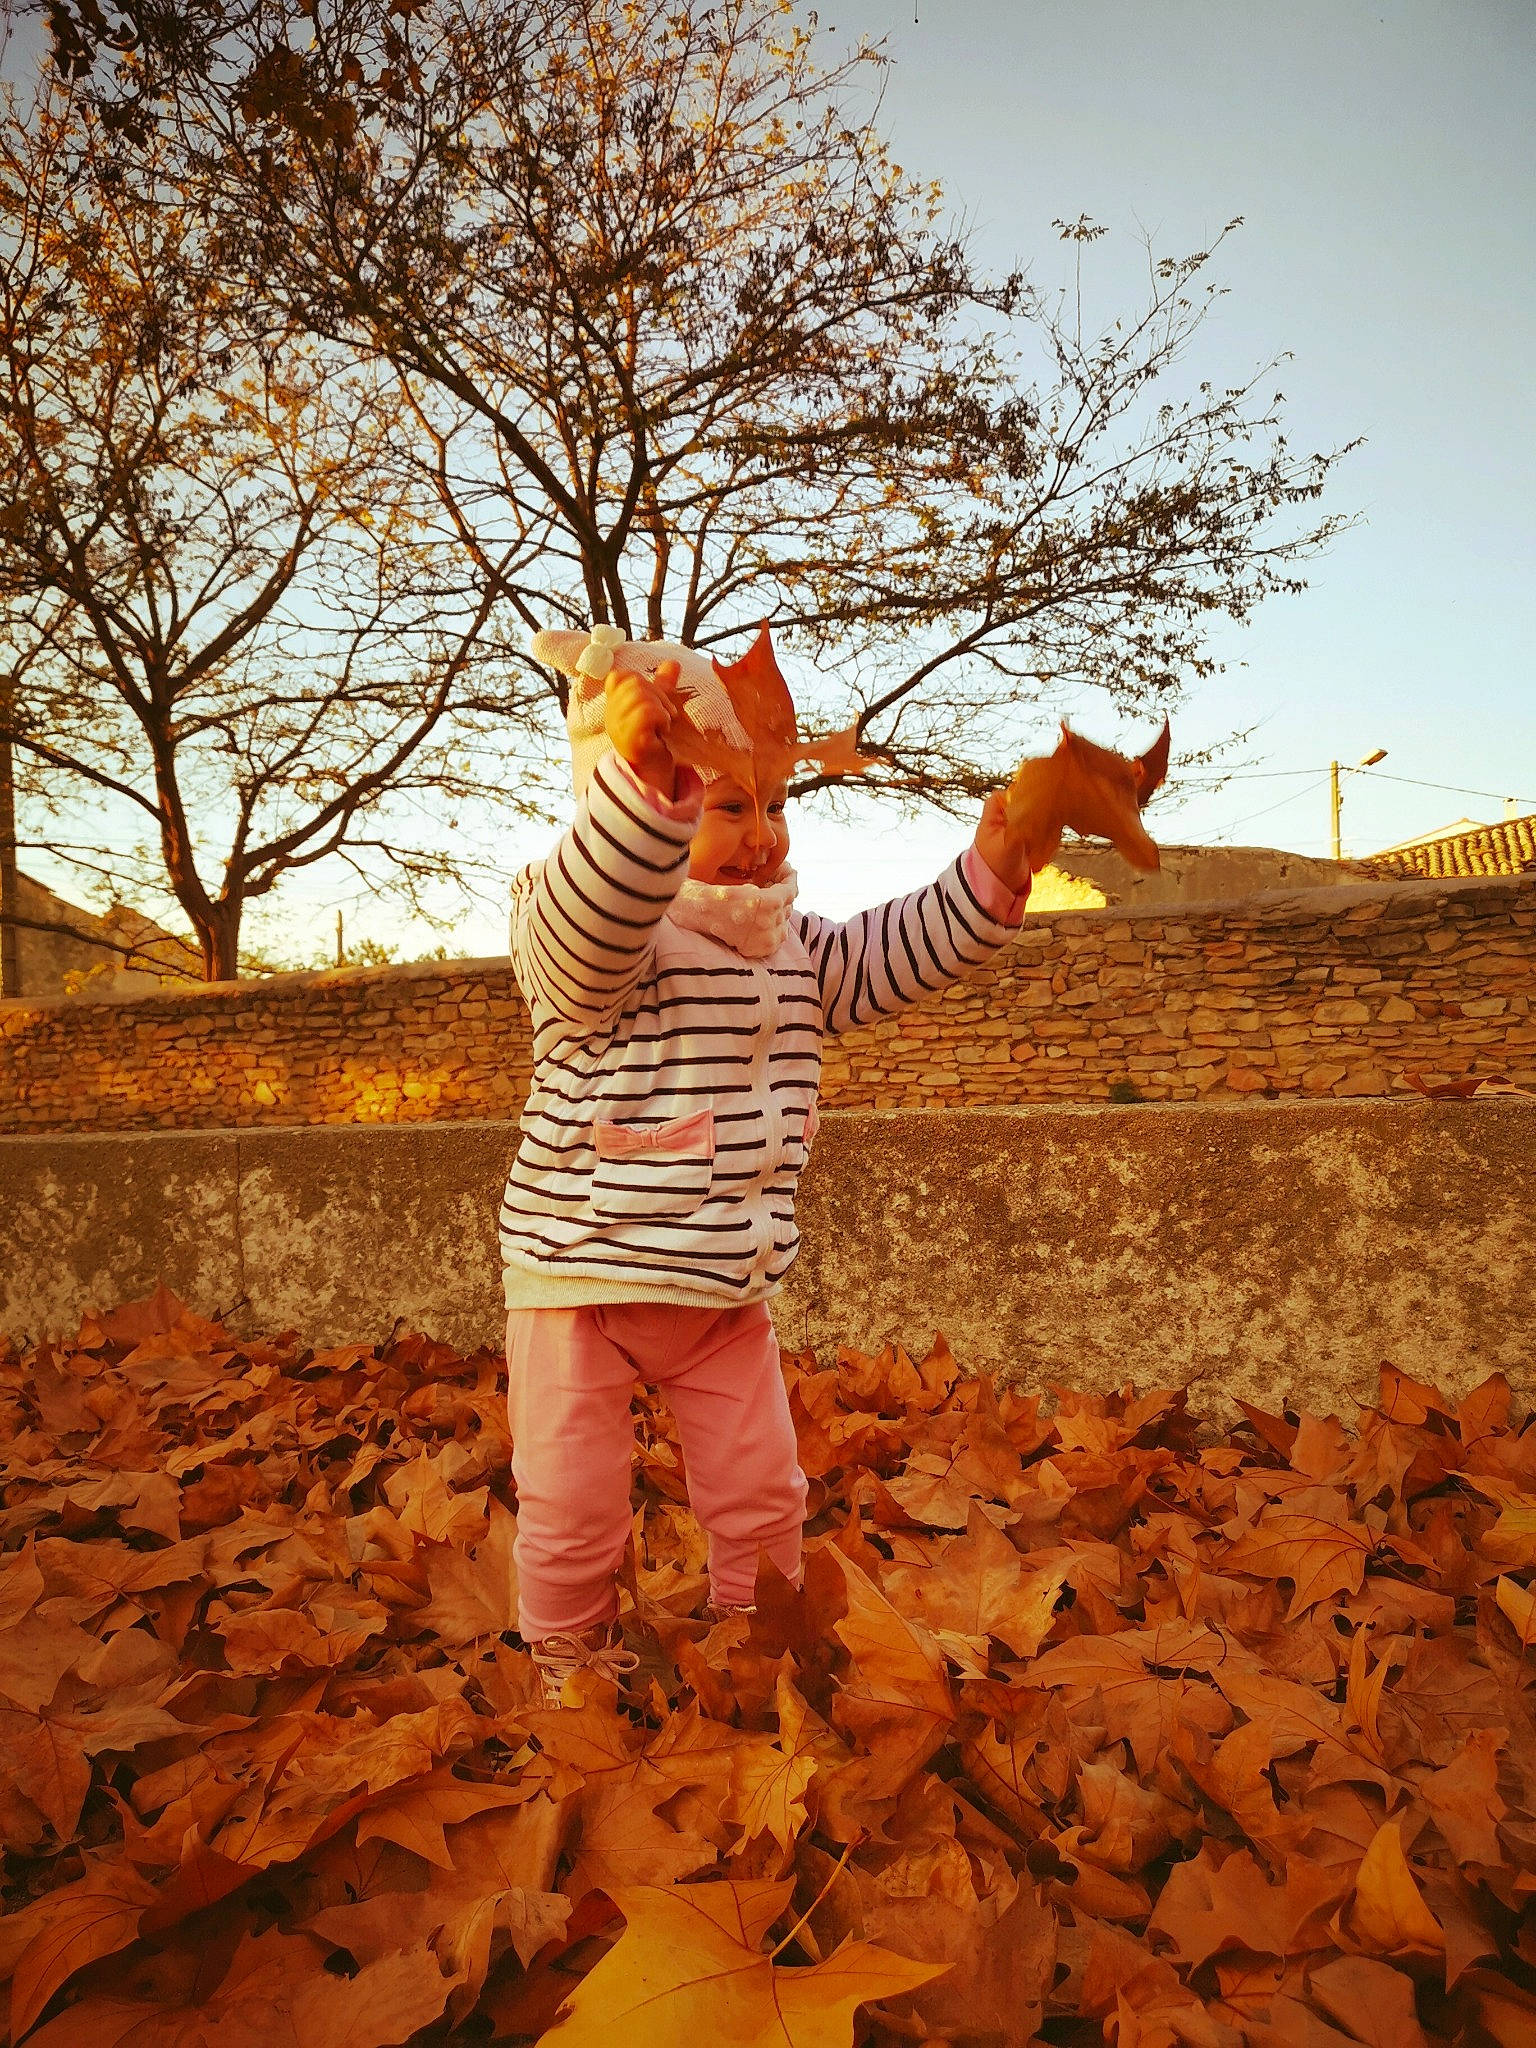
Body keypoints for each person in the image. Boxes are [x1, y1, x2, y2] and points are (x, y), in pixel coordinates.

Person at [502, 620, 1040, 1706]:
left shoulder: (791, 946)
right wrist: (641, 802)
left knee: (762, 1487)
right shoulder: (593, 934)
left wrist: (987, 877)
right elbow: (588, 920)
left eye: (775, 804)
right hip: (583, 1270)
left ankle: (761, 1628)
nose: (760, 835)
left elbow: (890, 952)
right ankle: (569, 1656)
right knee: (573, 1497)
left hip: (723, 1284)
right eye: (724, 804)